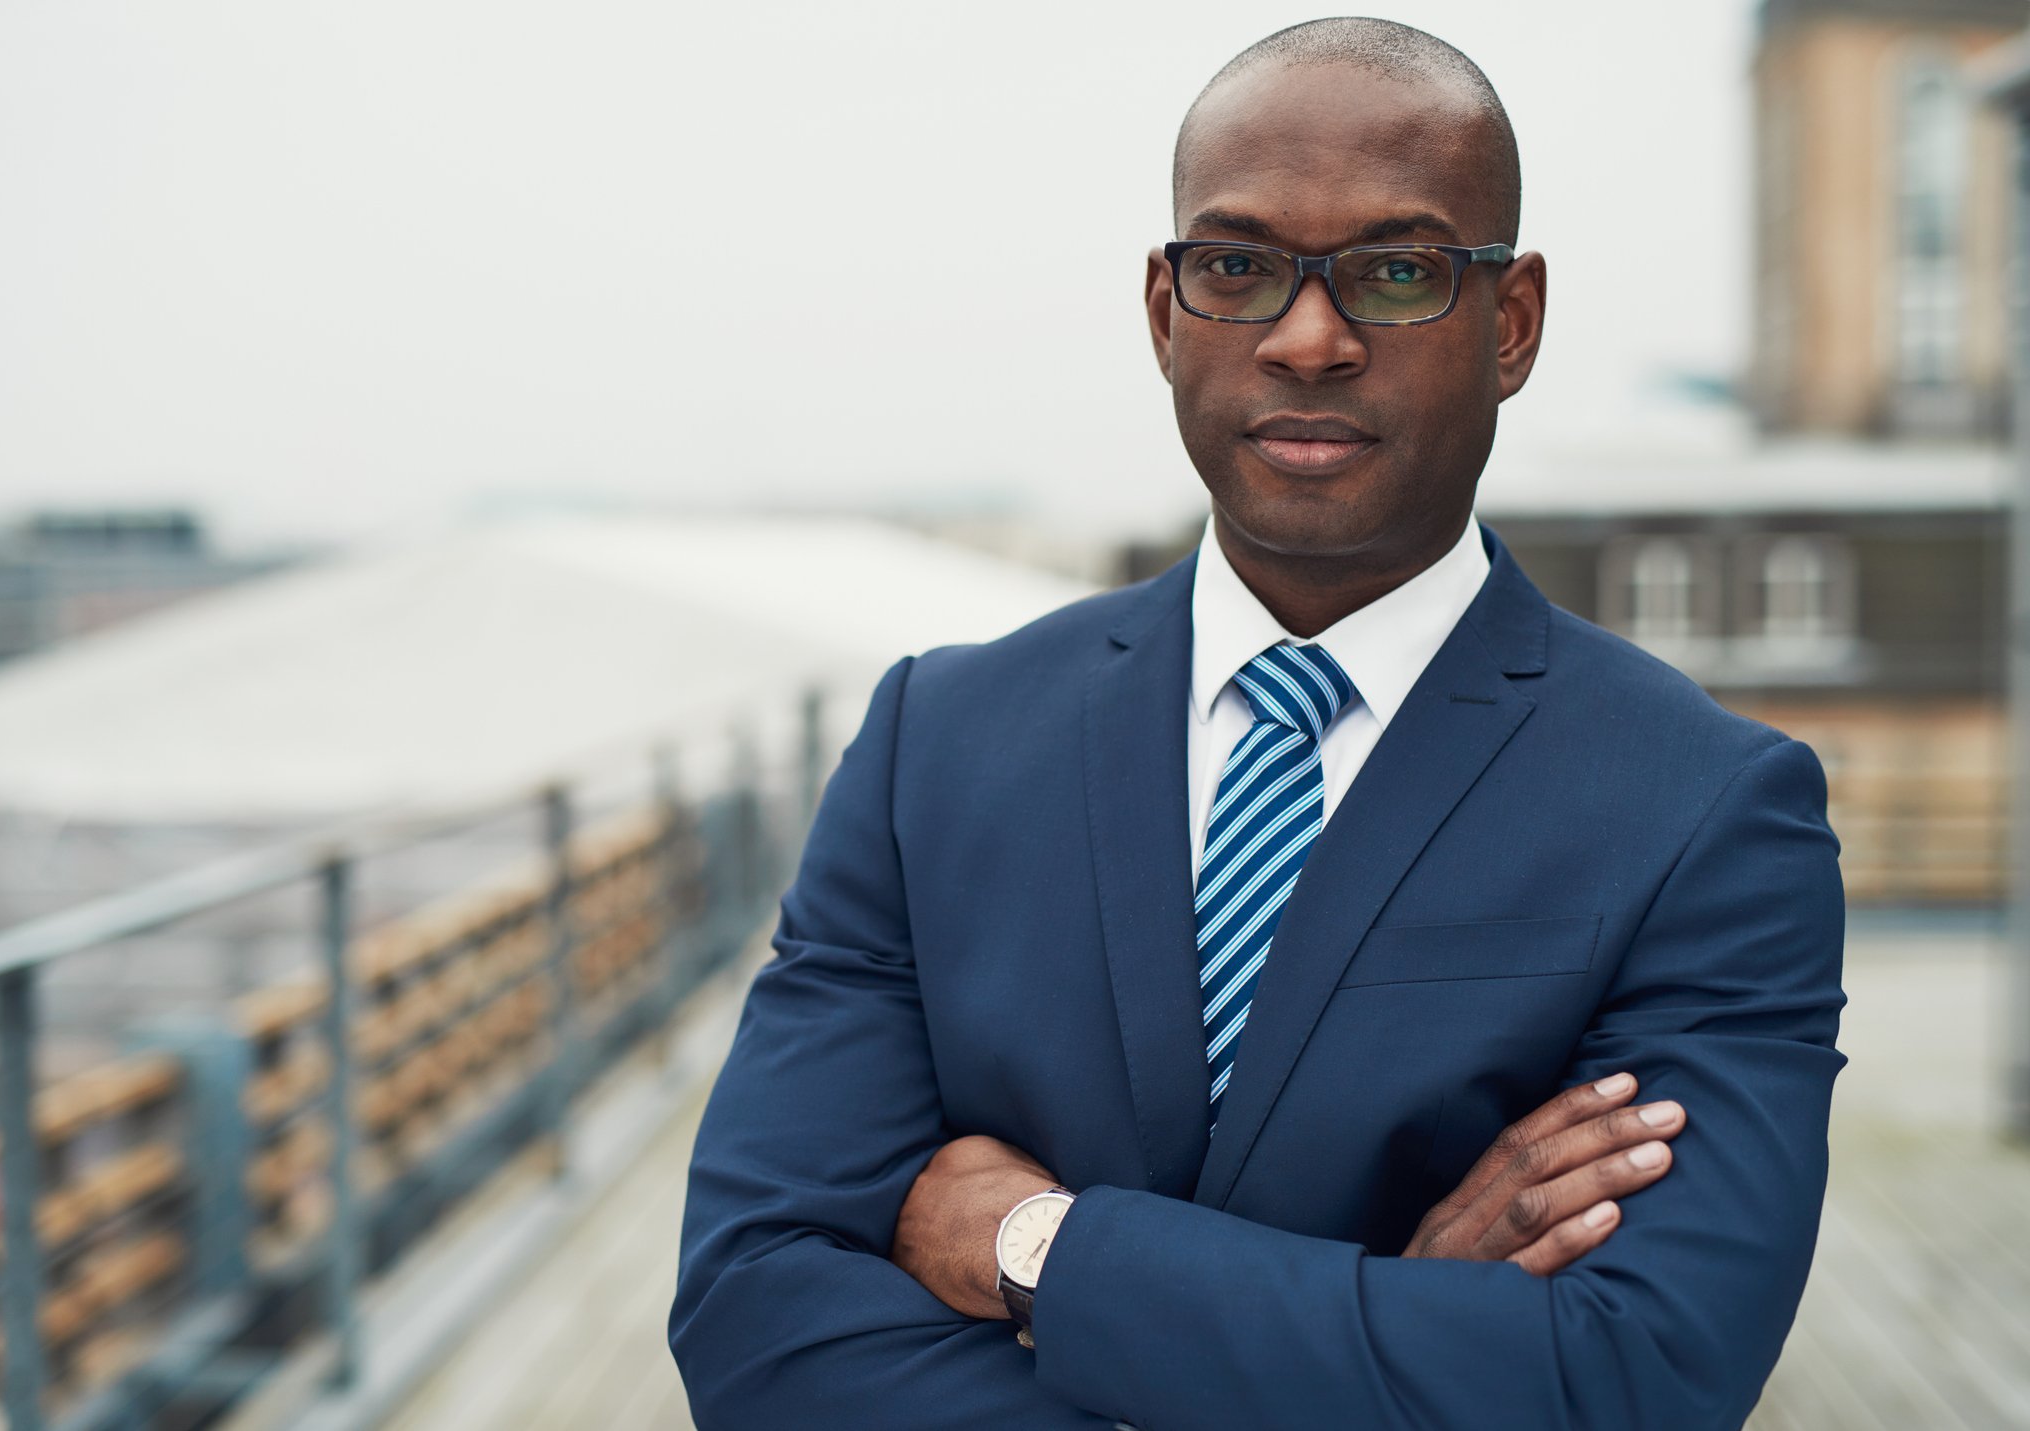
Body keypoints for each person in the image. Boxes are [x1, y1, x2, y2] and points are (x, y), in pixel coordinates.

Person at [669, 18, 1845, 1431]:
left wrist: (1039, 1252)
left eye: (1398, 273)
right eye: (1237, 269)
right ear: (1165, 313)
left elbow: (1630, 1376)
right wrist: (1393, 1320)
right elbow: (751, 1314)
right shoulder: (939, 743)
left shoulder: (1706, 810)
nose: (1309, 339)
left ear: (1512, 322)